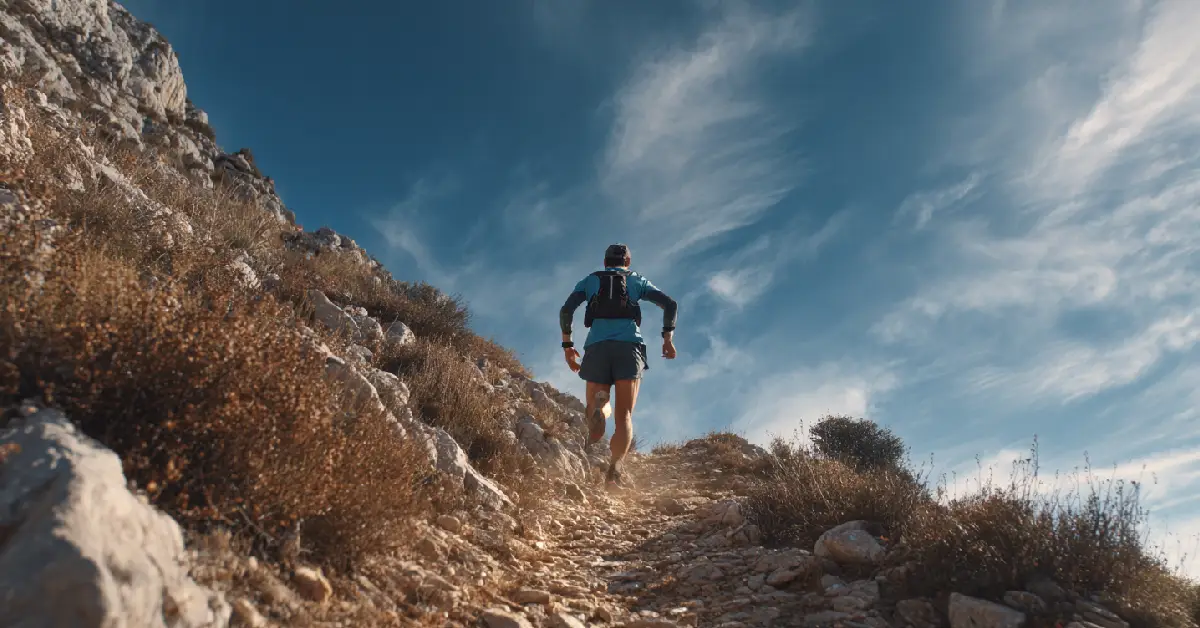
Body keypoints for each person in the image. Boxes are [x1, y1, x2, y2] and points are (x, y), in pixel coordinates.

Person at [559, 243, 677, 488]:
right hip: (629, 348)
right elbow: (670, 304)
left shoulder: (590, 280)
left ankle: (601, 407)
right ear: (628, 262)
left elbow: (566, 310)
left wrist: (568, 345)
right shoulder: (637, 280)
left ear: (605, 263)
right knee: (624, 416)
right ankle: (615, 470)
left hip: (597, 347)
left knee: (595, 407)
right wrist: (667, 339)